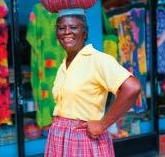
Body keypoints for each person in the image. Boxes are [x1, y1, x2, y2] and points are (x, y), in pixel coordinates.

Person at [44, 9, 141, 157]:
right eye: (61, 28)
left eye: (74, 27)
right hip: (59, 137)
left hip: (83, 138)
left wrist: (102, 124)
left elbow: (132, 88)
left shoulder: (97, 59)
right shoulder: (64, 64)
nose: (66, 32)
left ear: (85, 33)